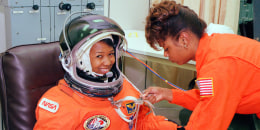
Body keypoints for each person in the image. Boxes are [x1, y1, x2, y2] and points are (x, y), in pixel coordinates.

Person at [33, 13, 180, 130]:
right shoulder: (60, 104)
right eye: (99, 56)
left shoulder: (125, 89)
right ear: (78, 59)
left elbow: (141, 122)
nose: (108, 62)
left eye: (111, 54)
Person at [142, 0, 260, 130]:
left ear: (183, 40)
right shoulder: (211, 49)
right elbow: (208, 98)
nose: (165, 54)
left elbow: (208, 123)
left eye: (166, 48)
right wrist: (168, 94)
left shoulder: (216, 65)